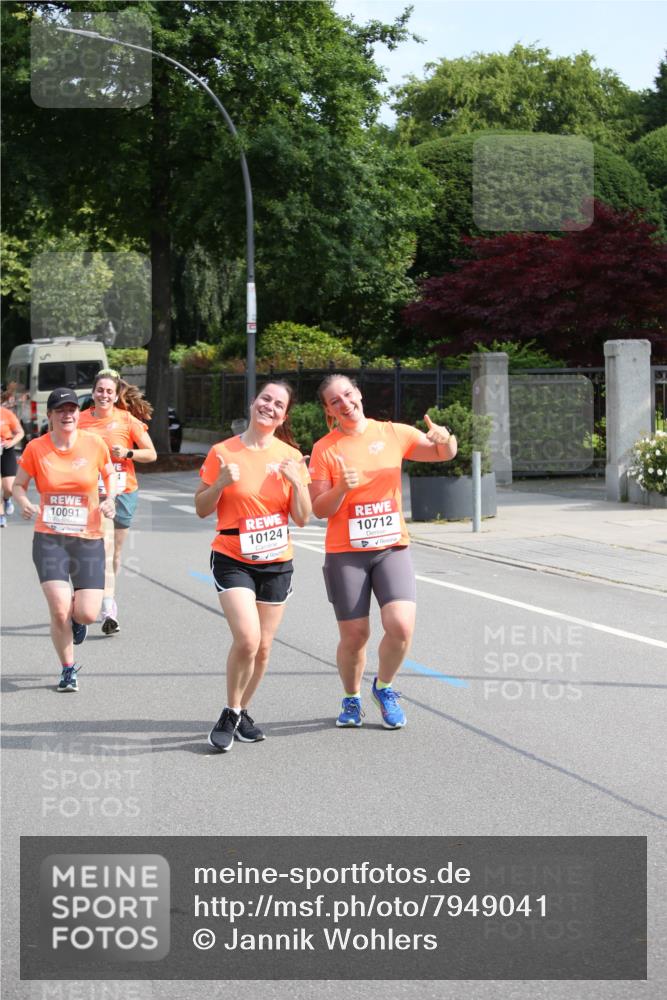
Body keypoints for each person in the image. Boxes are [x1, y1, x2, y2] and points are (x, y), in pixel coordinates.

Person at [308, 374, 457, 730]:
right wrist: (341, 488)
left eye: (348, 394)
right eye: (335, 401)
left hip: (391, 547)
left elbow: (442, 454)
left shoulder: (393, 433)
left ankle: (384, 687)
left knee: (401, 626)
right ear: (329, 411)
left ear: (359, 394)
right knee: (355, 636)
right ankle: (352, 697)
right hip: (346, 553)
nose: (345, 404)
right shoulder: (325, 449)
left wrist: (446, 438)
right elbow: (319, 508)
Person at [195, 381, 311, 753]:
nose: (269, 407)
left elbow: (303, 517)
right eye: (265, 399)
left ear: (284, 416)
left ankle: (241, 711)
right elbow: (201, 508)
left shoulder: (291, 456)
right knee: (248, 638)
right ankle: (231, 711)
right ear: (253, 402)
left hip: (276, 561)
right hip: (232, 555)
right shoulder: (222, 452)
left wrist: (298, 484)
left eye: (278, 404)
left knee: (263, 648)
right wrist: (220, 483)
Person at [12, 388, 116, 692]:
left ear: (77, 414)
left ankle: (78, 619)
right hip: (50, 539)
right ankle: (68, 669)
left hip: (88, 539)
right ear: (50, 416)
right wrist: (23, 502)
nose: (67, 415)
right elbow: (18, 485)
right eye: (60, 410)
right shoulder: (36, 448)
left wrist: (110, 498)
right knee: (59, 609)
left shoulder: (94, 444)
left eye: (71, 409)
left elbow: (109, 475)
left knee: (86, 612)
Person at [79, 370, 157, 635]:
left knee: (114, 553)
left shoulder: (126, 420)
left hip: (123, 492)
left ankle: (103, 599)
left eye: (109, 391)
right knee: (102, 548)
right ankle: (107, 606)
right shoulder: (80, 420)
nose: (104, 395)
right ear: (93, 393)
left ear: (115, 396)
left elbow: (151, 454)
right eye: (100, 390)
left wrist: (127, 453)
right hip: (92, 493)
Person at [1, 395, 25, 527]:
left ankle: (7, 498)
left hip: (6, 451)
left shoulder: (6, 414)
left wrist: (11, 443)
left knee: (9, 488)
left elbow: (20, 432)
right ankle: (1, 516)